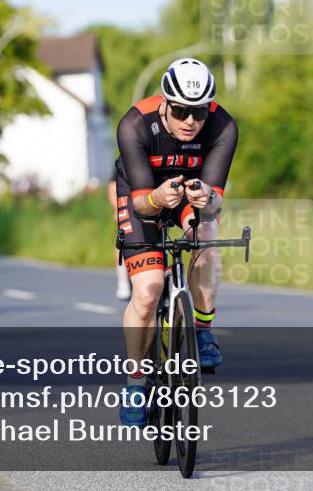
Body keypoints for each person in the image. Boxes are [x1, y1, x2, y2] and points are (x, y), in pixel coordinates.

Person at [115, 58, 237, 427]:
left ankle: (202, 329)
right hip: (143, 194)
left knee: (207, 235)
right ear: (166, 103)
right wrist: (156, 200)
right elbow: (140, 202)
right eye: (181, 110)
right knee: (149, 291)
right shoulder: (135, 123)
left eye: (198, 113)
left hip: (189, 192)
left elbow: (216, 202)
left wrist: (205, 200)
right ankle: (136, 383)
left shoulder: (223, 126)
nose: (190, 122)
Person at [108, 167, 131, 301]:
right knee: (122, 241)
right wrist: (117, 208)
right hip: (126, 205)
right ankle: (123, 281)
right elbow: (112, 185)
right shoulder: (123, 158)